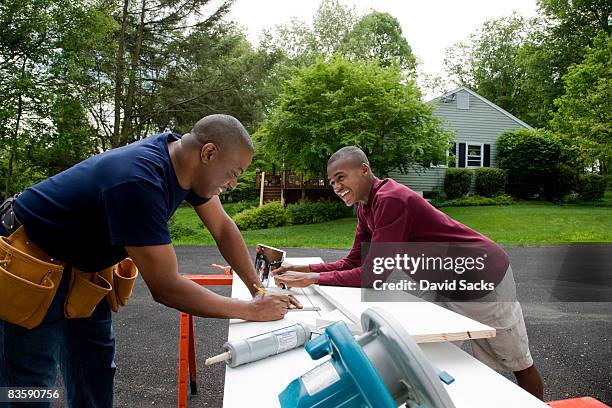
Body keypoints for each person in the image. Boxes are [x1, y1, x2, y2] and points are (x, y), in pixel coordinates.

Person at [0, 114, 299, 408]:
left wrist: (257, 290)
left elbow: (222, 228)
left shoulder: (186, 165)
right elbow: (166, 287)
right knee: (27, 386)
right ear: (209, 153)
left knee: (95, 369)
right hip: (29, 262)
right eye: (234, 172)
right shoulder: (138, 180)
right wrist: (251, 310)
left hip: (81, 271)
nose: (233, 183)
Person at [273, 146, 544, 400]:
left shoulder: (392, 200)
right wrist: (305, 268)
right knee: (440, 356)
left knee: (517, 360)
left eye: (341, 178)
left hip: (481, 277)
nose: (336, 187)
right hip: (441, 279)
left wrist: (314, 278)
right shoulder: (366, 207)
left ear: (364, 170)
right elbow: (354, 260)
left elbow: (373, 275)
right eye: (332, 182)